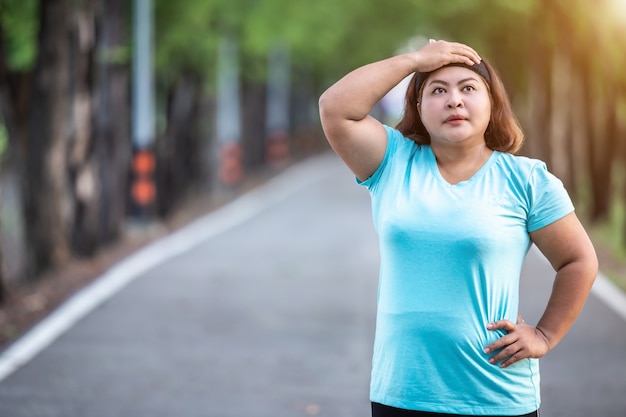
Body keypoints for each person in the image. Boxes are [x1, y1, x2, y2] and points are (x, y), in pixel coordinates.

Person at [318, 39, 598, 417]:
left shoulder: (527, 179)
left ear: (492, 103)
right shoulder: (392, 162)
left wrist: (545, 335)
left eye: (468, 88)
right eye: (438, 90)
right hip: (403, 394)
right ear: (418, 107)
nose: (454, 100)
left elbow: (578, 261)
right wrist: (415, 60)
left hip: (497, 396)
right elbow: (335, 109)